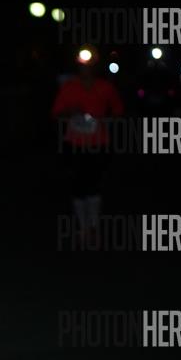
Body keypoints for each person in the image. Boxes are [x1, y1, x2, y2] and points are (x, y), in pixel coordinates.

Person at [52, 45, 123, 247]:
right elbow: (56, 113)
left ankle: (93, 226)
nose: (86, 69)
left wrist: (105, 120)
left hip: (98, 143)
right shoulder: (69, 87)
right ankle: (83, 227)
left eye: (89, 65)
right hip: (75, 143)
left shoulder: (105, 87)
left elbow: (118, 111)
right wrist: (70, 112)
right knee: (78, 184)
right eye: (82, 65)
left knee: (94, 184)